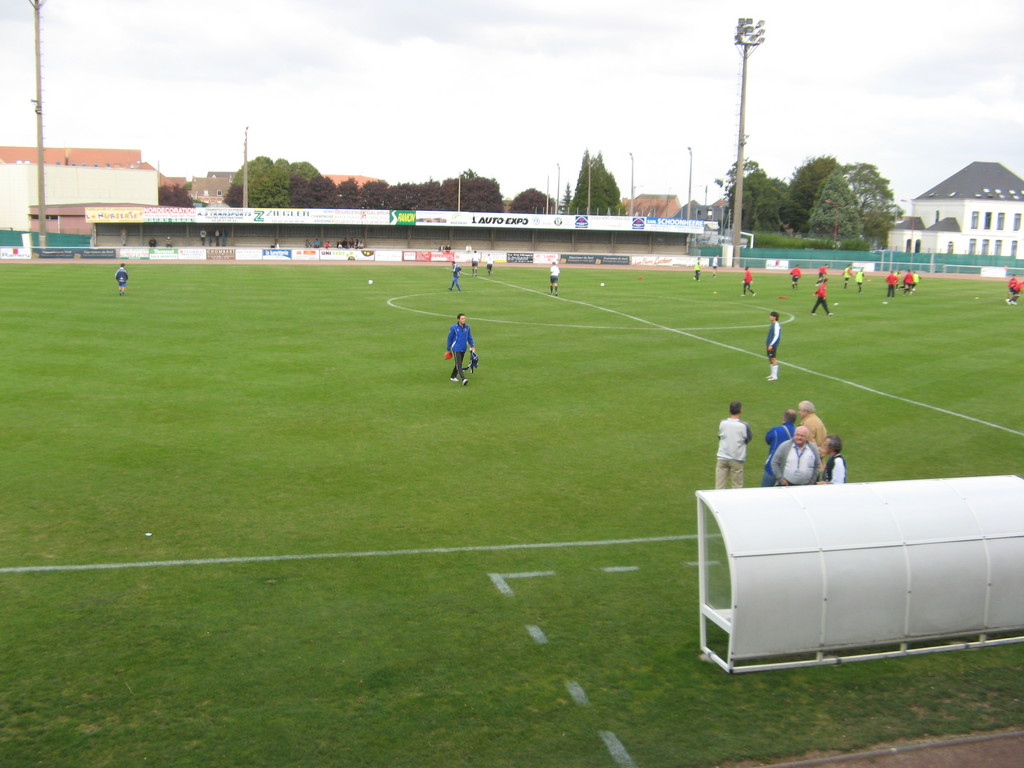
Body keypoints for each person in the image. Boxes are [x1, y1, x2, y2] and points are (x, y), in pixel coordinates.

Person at [715, 401, 752, 489]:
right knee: (737, 488)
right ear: (740, 411)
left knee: (719, 487)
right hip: (736, 458)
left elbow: (719, 436)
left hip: (722, 457)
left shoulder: (722, 423)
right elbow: (748, 439)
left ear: (729, 410)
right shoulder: (744, 425)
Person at [762, 408, 797, 486]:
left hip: (772, 467)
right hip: (788, 470)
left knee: (764, 493)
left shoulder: (776, 430)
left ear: (784, 418)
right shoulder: (798, 433)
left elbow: (767, 440)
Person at [446, 313, 475, 386]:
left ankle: (453, 376)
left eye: (464, 318)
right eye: (462, 318)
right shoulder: (453, 328)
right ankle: (463, 379)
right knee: (459, 364)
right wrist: (448, 349)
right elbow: (449, 338)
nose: (464, 320)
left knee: (459, 363)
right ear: (458, 319)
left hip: (463, 348)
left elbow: (469, 337)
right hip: (456, 348)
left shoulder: (467, 327)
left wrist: (473, 345)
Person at [765, 310, 781, 381]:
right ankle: (772, 374)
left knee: (773, 358)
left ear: (774, 317)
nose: (770, 317)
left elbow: (776, 336)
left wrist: (771, 344)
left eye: (771, 316)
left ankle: (775, 376)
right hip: (769, 344)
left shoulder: (777, 325)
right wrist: (767, 344)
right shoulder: (772, 324)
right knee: (769, 358)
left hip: (772, 345)